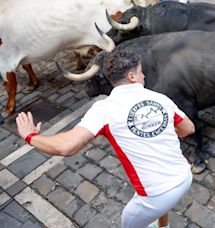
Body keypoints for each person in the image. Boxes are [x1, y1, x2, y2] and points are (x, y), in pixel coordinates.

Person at [16, 50, 195, 228]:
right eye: (141, 72)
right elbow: (188, 129)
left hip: (156, 195)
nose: (144, 76)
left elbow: (66, 146)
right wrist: (158, 129)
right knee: (161, 206)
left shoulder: (104, 109)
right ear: (132, 76)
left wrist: (30, 136)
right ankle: (163, 226)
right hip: (184, 176)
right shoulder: (160, 98)